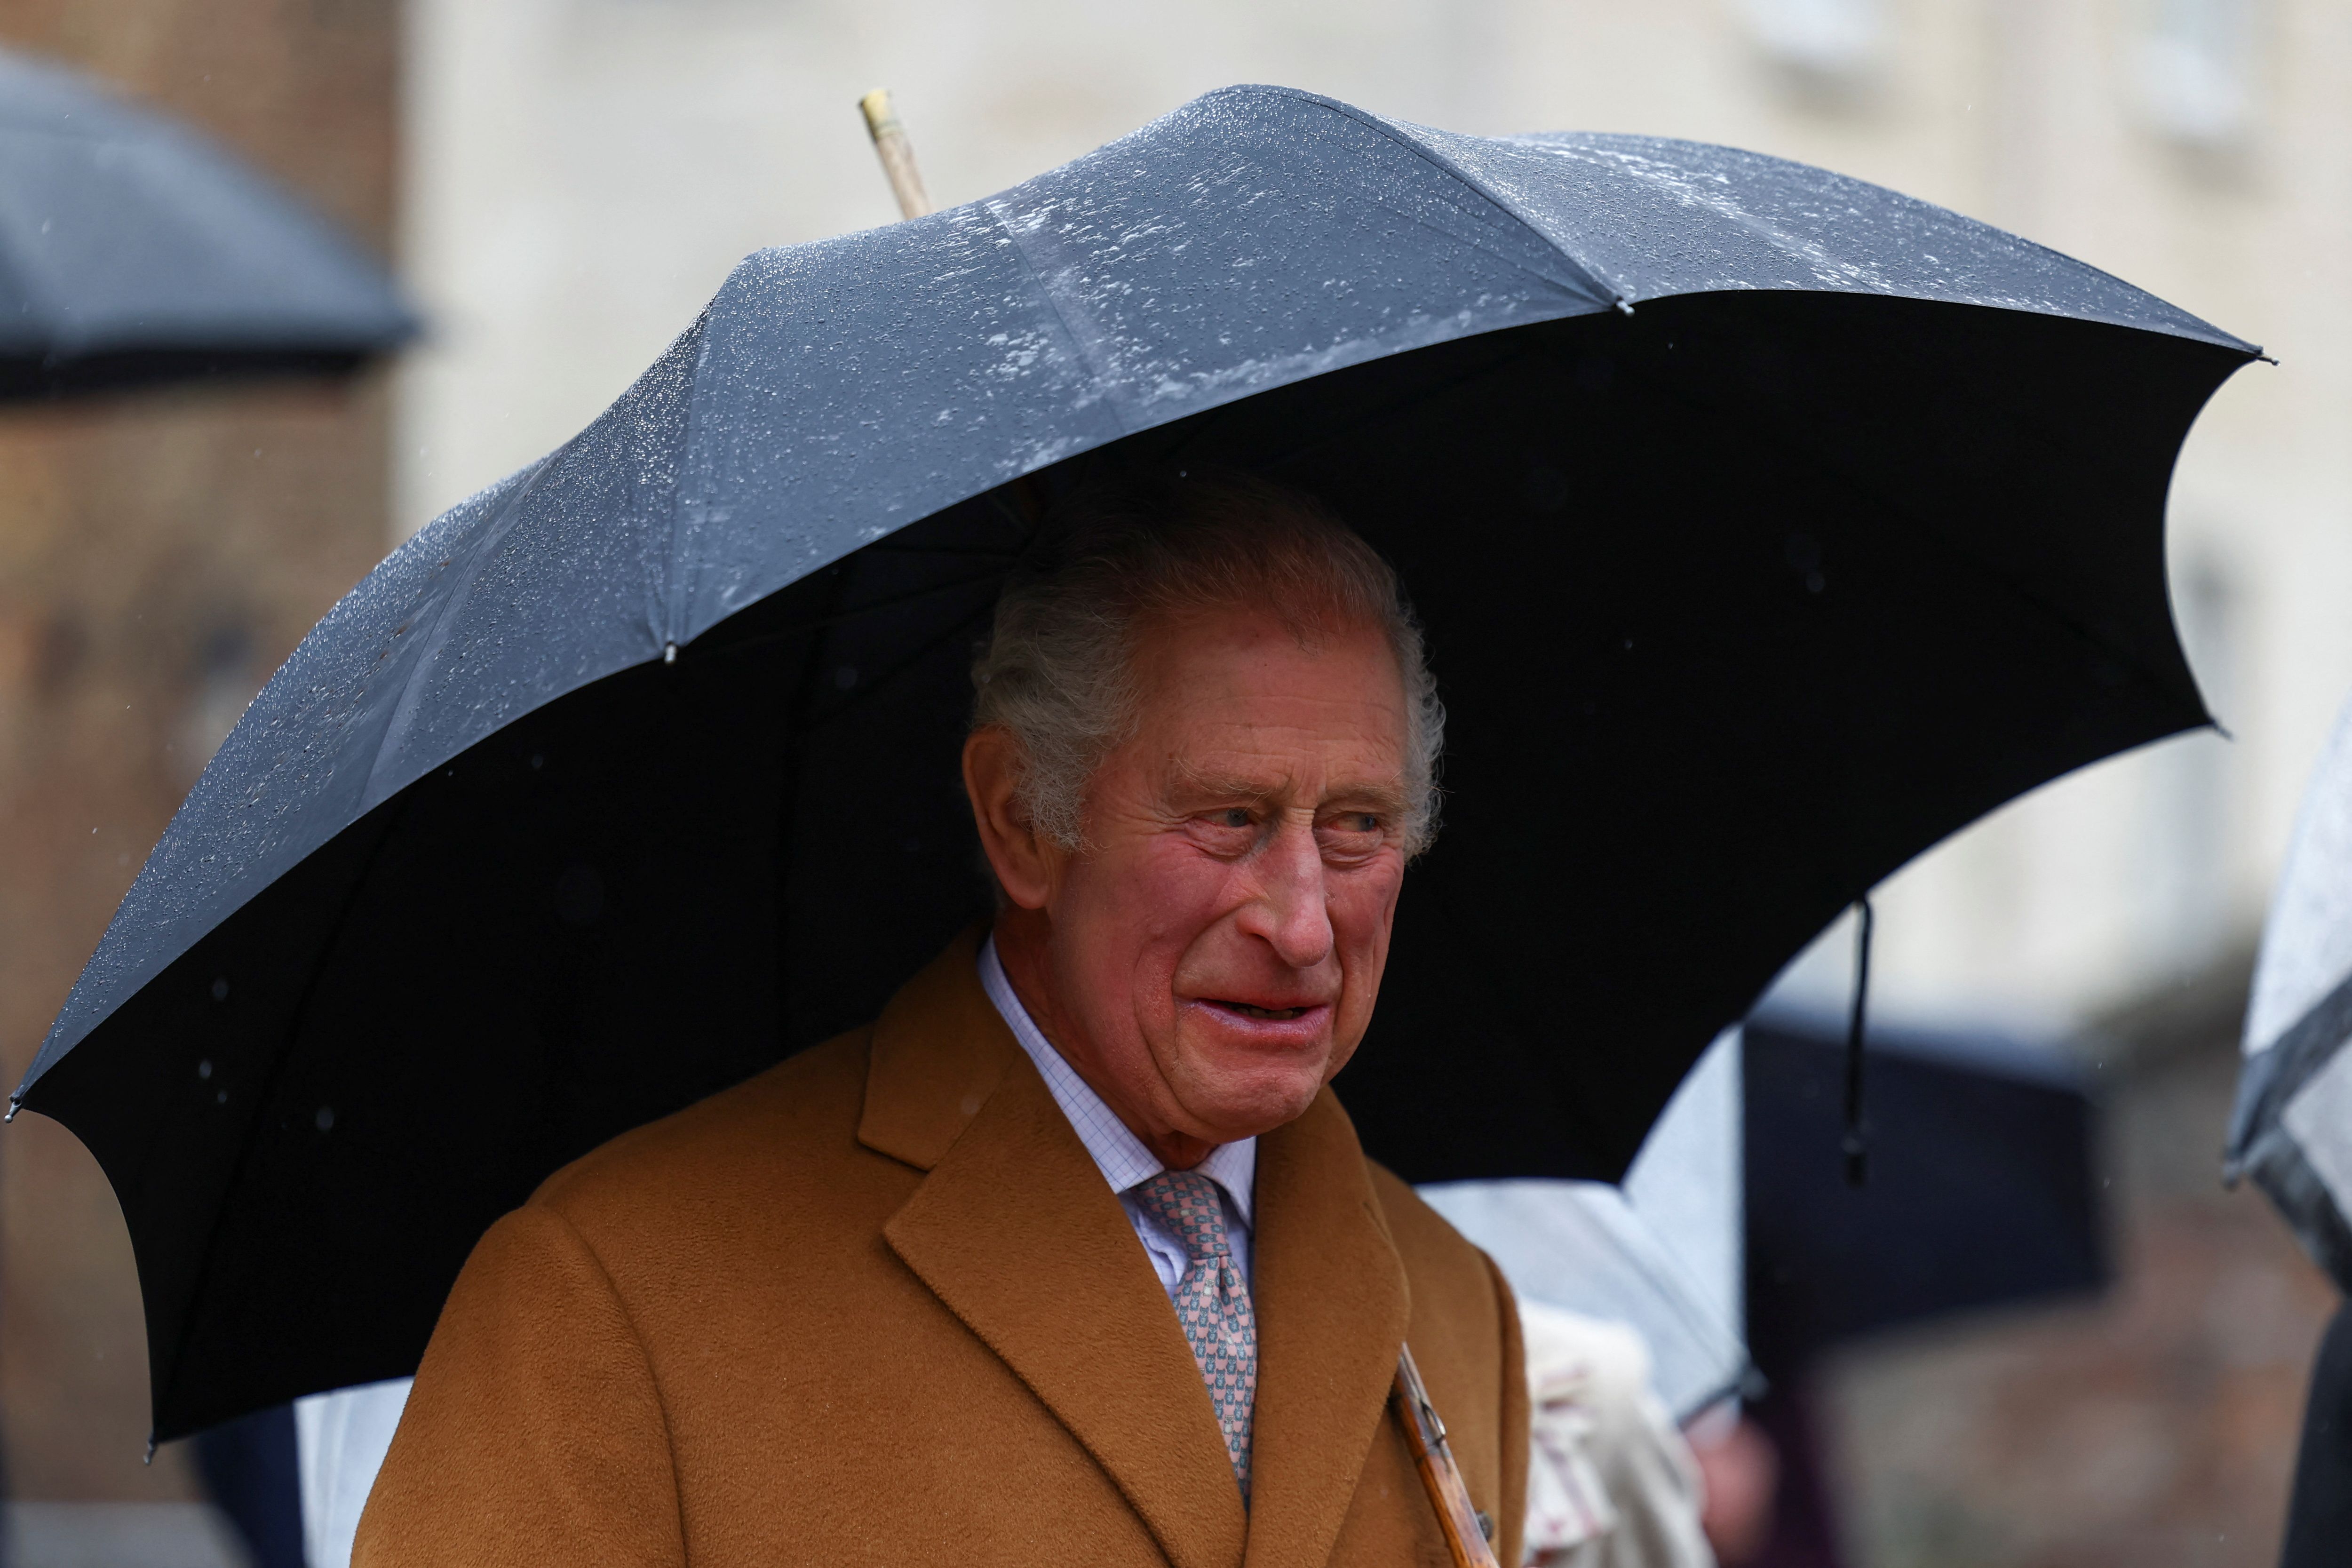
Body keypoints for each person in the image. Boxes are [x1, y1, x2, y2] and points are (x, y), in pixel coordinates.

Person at [354, 470, 1528, 1566]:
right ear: (1020, 820)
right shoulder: (614, 1302)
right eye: (1229, 815)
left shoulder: (1453, 1304)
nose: (1306, 923)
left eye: (1358, 824)